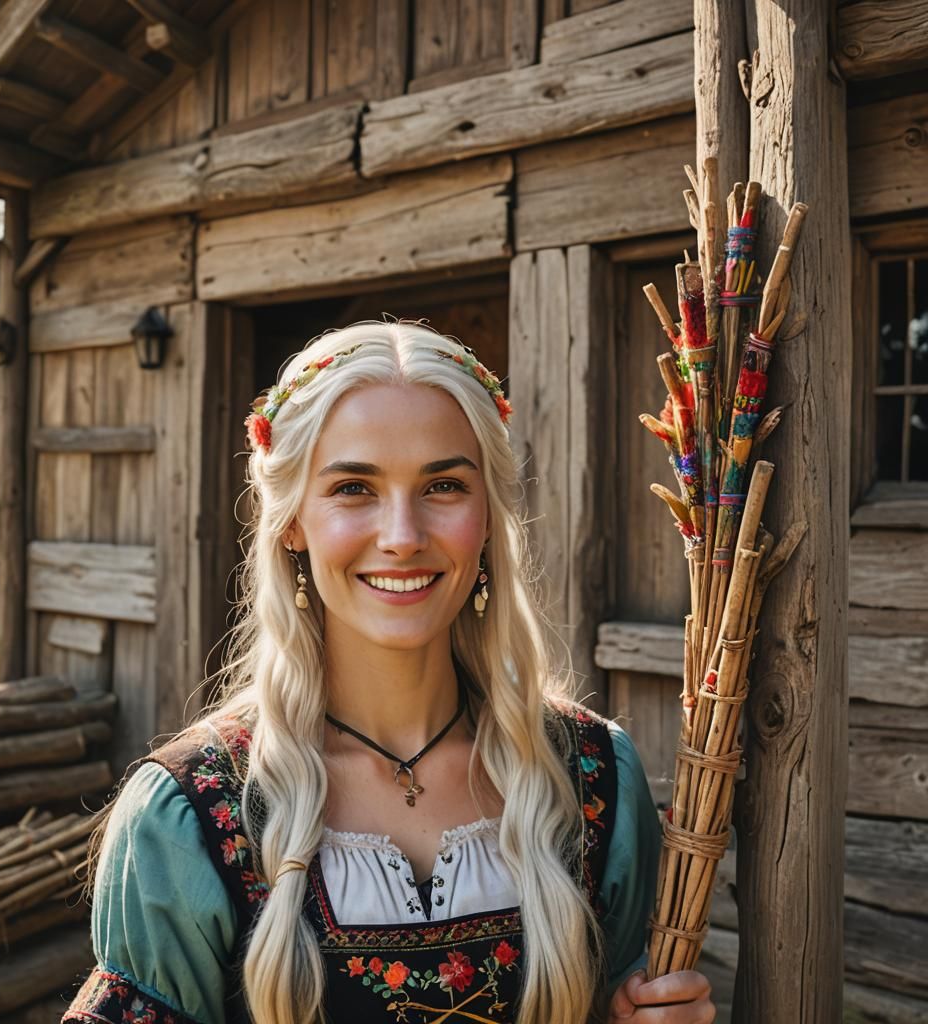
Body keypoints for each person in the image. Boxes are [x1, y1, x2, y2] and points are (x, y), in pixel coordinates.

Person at [63, 321, 714, 1024]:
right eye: (354, 487)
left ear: (488, 516)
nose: (403, 537)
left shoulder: (592, 778)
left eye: (444, 485)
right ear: (291, 521)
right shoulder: (188, 815)